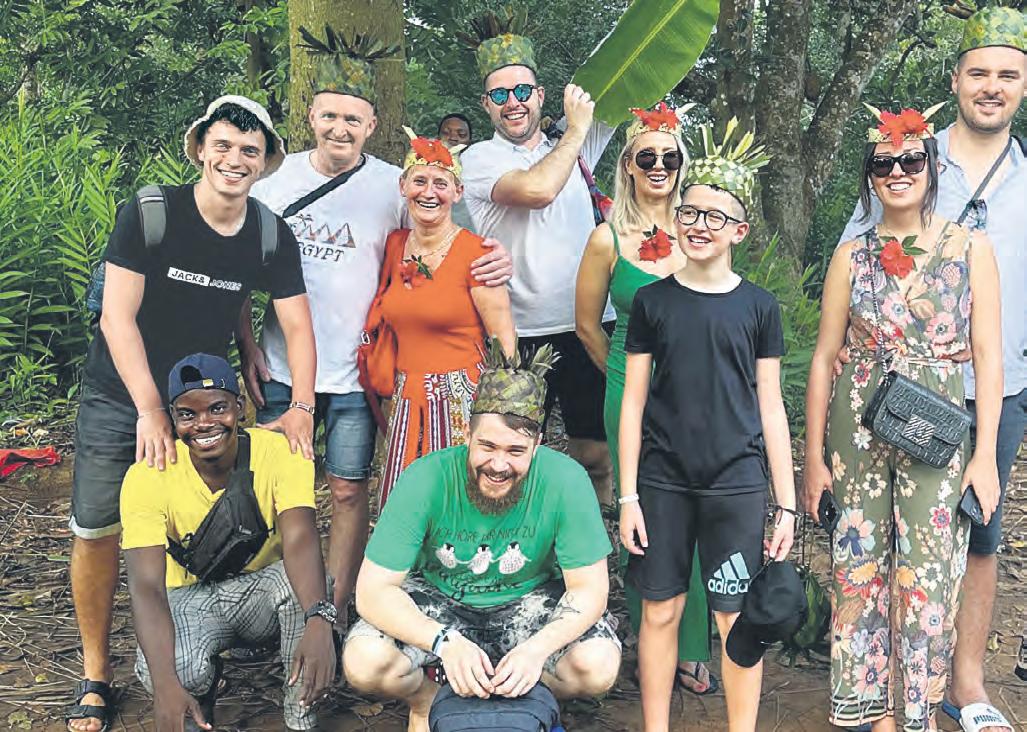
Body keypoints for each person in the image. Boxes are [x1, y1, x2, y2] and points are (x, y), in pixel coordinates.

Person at [65, 96, 316, 732]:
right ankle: (95, 672)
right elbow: (116, 316)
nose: (235, 160)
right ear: (201, 148)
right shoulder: (153, 213)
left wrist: (300, 405)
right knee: (97, 527)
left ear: (264, 162)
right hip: (121, 394)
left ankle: (200, 632)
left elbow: (294, 321)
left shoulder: (268, 233)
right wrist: (148, 409)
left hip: (204, 399)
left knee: (204, 510)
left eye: (250, 151)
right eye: (223, 145)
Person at [243, 28, 512, 617]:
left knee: (347, 489)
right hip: (282, 368)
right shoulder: (274, 182)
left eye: (353, 119)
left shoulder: (392, 185)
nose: (340, 129)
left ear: (371, 125)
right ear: (311, 117)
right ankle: (277, 609)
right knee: (275, 492)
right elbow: (238, 262)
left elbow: (448, 236)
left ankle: (338, 609)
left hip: (353, 375)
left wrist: (496, 259)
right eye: (329, 116)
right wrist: (245, 343)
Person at [836, 9, 1024, 730]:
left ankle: (963, 683)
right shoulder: (906, 154)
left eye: (1007, 75)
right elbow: (858, 254)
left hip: (996, 385)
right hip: (902, 389)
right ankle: (882, 692)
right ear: (955, 80)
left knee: (977, 533)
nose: (991, 86)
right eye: (978, 72)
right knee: (890, 538)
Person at [807, 103, 1003, 731]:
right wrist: (813, 461)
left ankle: (917, 709)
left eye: (911, 161)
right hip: (856, 426)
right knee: (859, 563)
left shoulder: (970, 248)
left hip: (936, 426)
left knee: (927, 570)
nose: (897, 173)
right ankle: (876, 712)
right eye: (883, 164)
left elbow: (988, 359)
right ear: (869, 176)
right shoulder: (851, 255)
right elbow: (824, 358)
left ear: (931, 167)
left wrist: (985, 458)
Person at [618, 120, 796, 732]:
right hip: (663, 482)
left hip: (735, 484)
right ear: (675, 219)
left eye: (715, 217)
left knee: (734, 617)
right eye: (690, 213)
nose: (699, 225)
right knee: (660, 611)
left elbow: (771, 407)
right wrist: (628, 496)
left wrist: (786, 505)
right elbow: (633, 403)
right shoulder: (652, 302)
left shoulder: (759, 307)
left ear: (739, 231)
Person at [341, 344, 621, 732]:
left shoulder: (566, 479)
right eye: (487, 446)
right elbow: (373, 591)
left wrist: (536, 651)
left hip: (528, 600)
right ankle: (428, 701)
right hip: (440, 599)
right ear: (467, 434)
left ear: (537, 445)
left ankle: (526, 697)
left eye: (515, 451)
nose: (498, 465)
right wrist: (443, 642)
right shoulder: (425, 477)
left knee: (597, 665)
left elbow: (589, 589)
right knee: (364, 662)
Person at [575, 102, 715, 696]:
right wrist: (626, 376)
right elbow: (586, 324)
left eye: (670, 157)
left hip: (698, 394)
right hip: (629, 391)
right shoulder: (606, 237)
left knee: (699, 509)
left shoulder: (702, 228)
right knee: (642, 513)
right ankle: (648, 639)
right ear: (628, 165)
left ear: (682, 165)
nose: (659, 166)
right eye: (647, 156)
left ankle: (693, 642)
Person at [120, 354, 335, 732]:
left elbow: (301, 538)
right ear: (173, 419)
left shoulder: (281, 452)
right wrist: (165, 685)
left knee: (305, 590)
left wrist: (319, 619)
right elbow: (146, 586)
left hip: (261, 590)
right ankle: (197, 698)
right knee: (168, 670)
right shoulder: (147, 475)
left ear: (240, 407)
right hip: (187, 598)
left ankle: (300, 717)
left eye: (217, 408)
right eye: (188, 414)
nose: (204, 424)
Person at [459, 16, 617, 503]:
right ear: (486, 104)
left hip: (590, 325)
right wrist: (576, 130)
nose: (514, 102)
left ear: (541, 95)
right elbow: (537, 189)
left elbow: (624, 70)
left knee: (595, 452)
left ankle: (598, 531)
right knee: (513, 453)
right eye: (500, 94)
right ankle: (515, 537)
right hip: (520, 333)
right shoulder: (478, 159)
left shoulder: (575, 141)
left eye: (523, 90)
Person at [375, 128, 516, 507]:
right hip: (406, 398)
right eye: (419, 181)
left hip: (462, 399)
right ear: (403, 186)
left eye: (441, 183)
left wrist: (503, 416)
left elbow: (504, 342)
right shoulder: (394, 245)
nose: (429, 192)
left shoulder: (478, 254)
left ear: (458, 192)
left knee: (460, 506)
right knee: (405, 507)